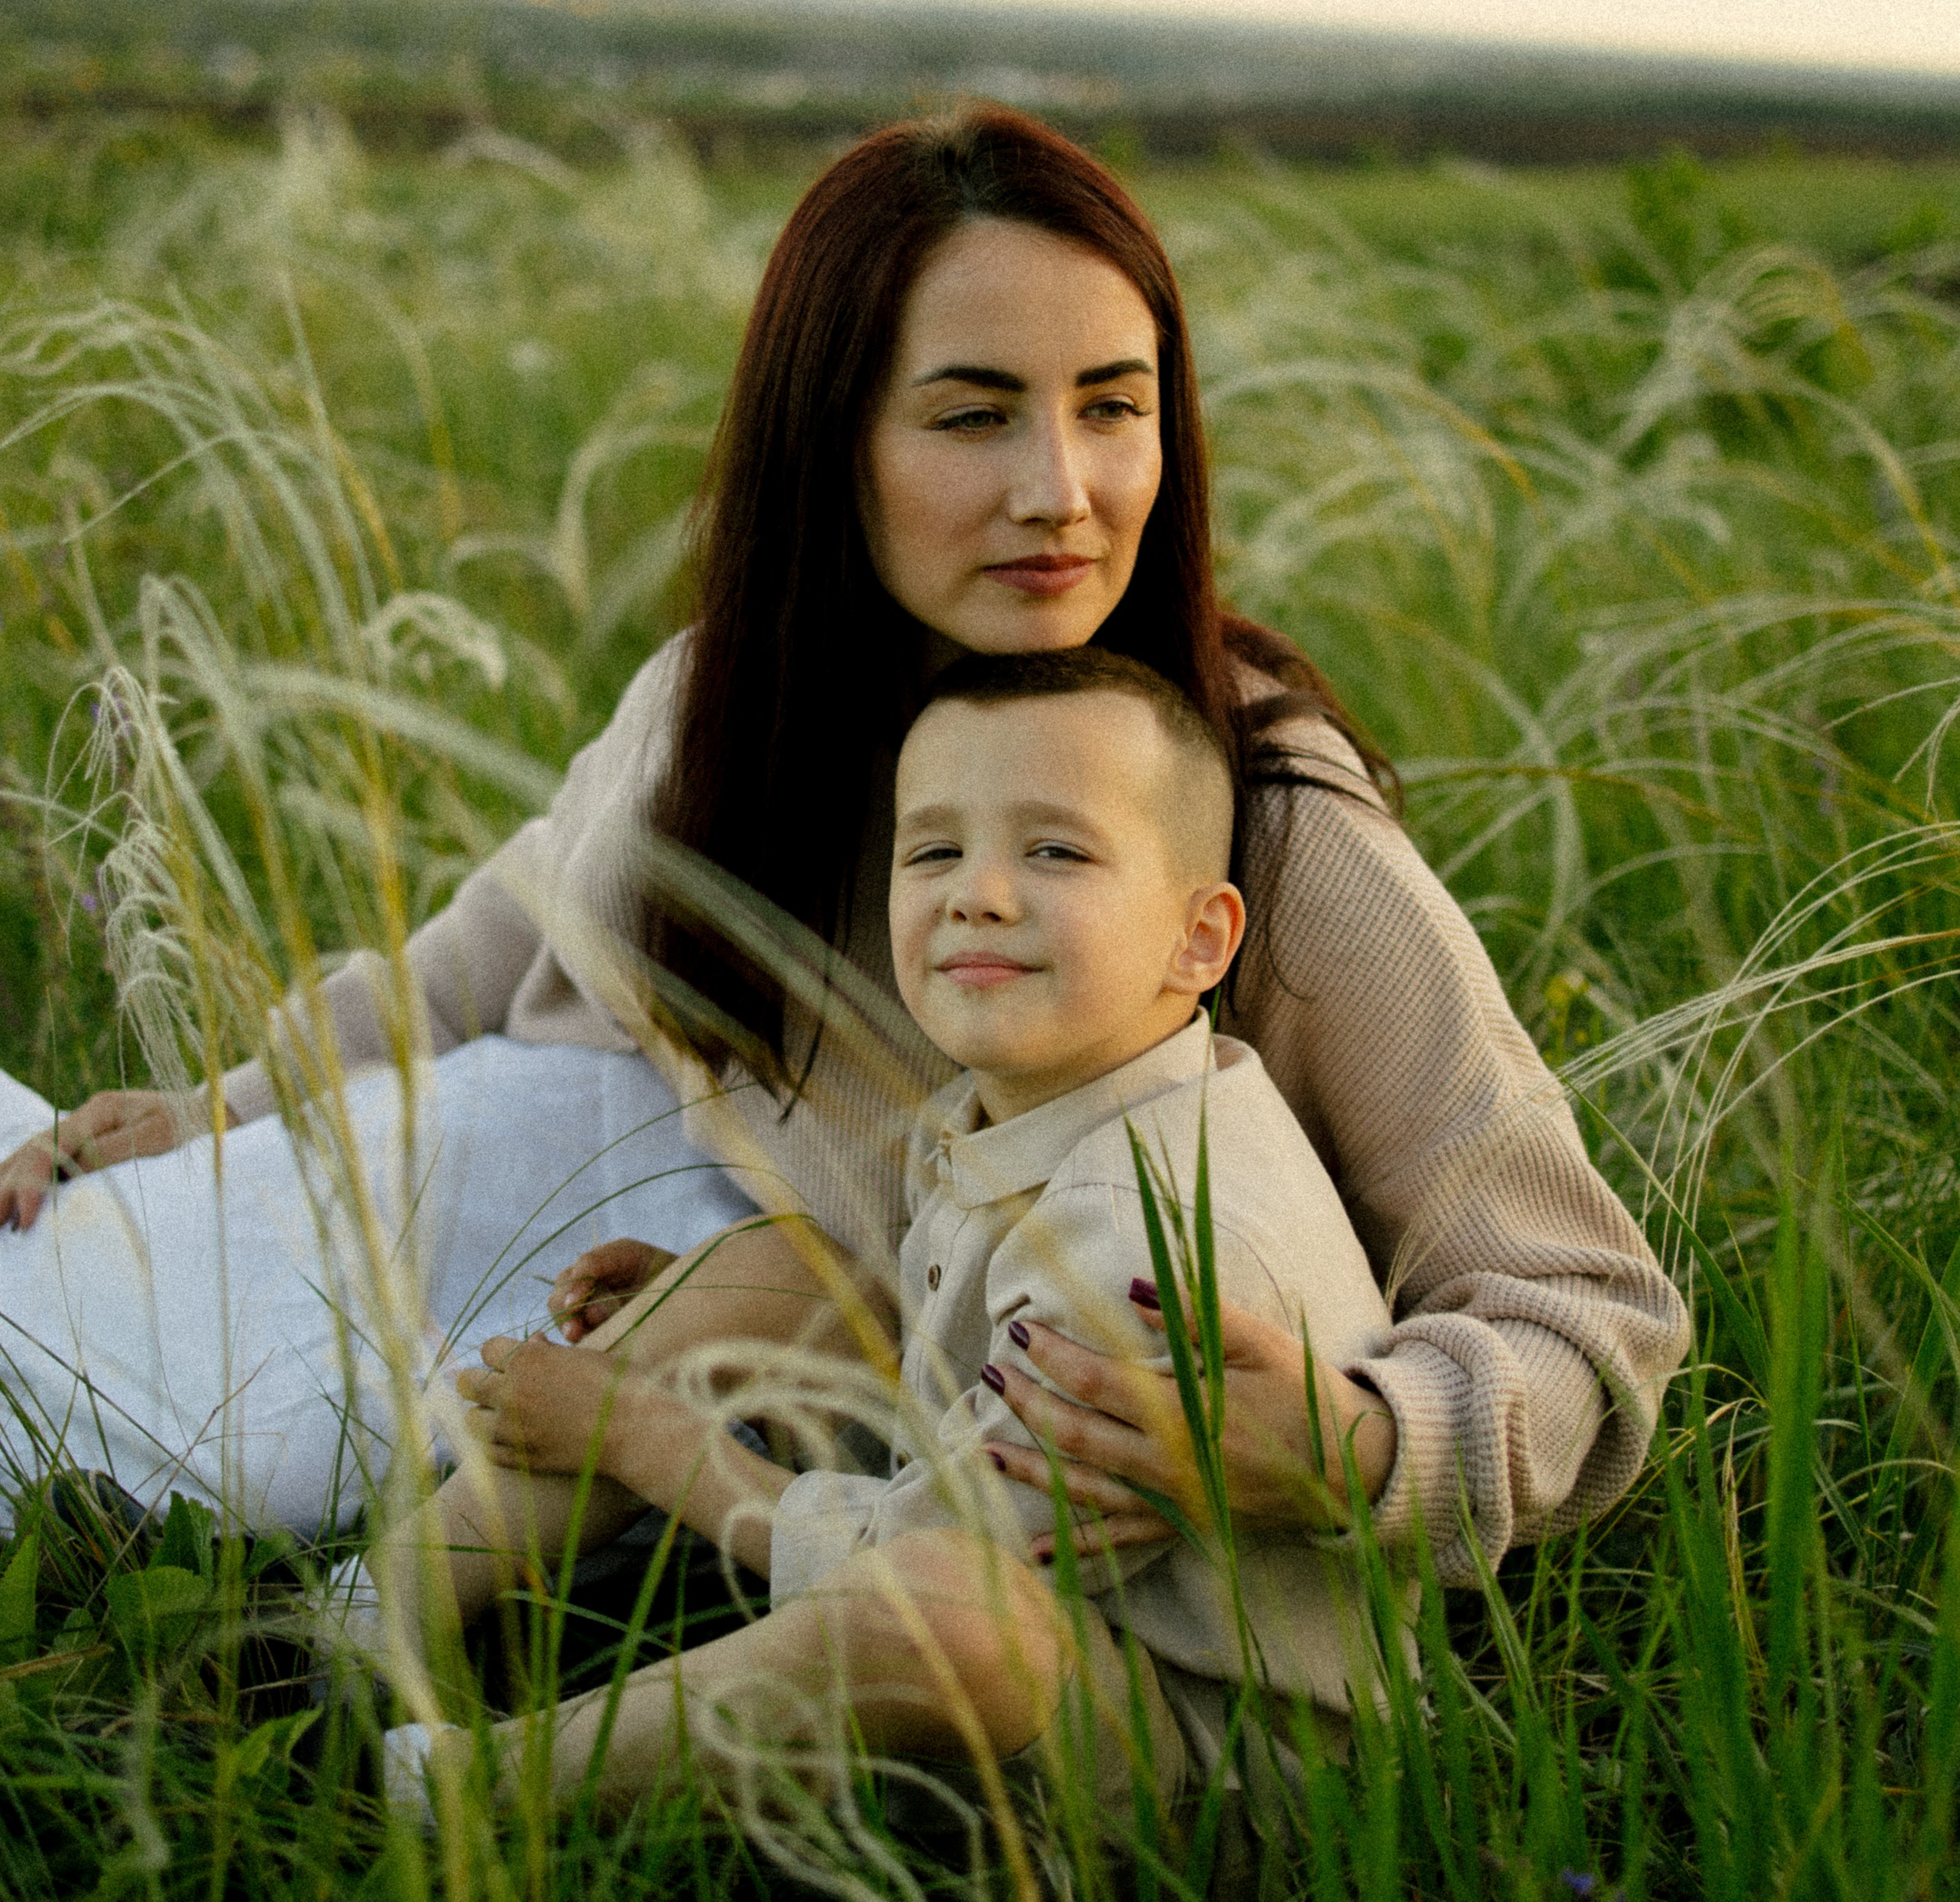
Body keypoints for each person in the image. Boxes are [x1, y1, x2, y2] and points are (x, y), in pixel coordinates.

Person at [0, 106, 1687, 1623]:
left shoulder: (1249, 817)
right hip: (484, 1185)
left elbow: (1584, 1312)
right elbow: (497, 931)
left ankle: (320, 1652)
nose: (1061, 492)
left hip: (732, 1376)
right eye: (971, 417)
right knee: (61, 1326)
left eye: (1113, 408)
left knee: (210, 1459)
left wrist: (1354, 1437)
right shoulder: (717, 702)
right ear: (829, 443)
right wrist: (236, 1094)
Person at [389, 648, 1404, 1821]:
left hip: (1217, 1776)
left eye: (1057, 850)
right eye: (934, 852)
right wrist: (708, 1301)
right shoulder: (1046, 1108)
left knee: (943, 1605)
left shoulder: (1144, 1252)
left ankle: (463, 1796)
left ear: (1200, 940)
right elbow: (943, 1350)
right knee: (789, 1271)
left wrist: (641, 1433)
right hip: (1074, 1632)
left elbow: (925, 1555)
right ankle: (380, 1617)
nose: (978, 893)